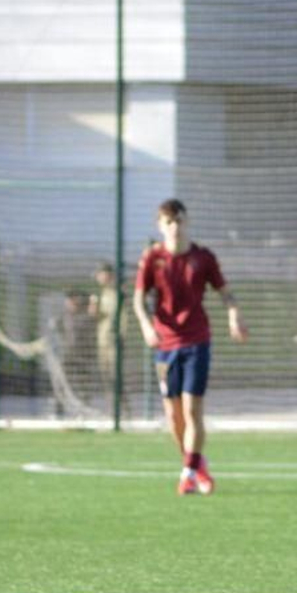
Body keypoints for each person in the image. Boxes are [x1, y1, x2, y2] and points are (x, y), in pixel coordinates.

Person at [133, 198, 247, 495]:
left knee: (192, 409)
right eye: (168, 222)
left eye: (179, 221)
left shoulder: (203, 258)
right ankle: (197, 463)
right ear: (160, 226)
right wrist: (146, 326)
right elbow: (138, 299)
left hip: (197, 340)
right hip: (165, 345)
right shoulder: (152, 259)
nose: (175, 227)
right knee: (173, 416)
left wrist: (234, 316)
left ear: (188, 222)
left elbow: (226, 293)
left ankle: (188, 473)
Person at [89, 262, 122, 396]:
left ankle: (123, 410)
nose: (98, 278)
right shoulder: (102, 294)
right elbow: (99, 316)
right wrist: (94, 308)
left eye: (100, 274)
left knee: (116, 377)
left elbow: (117, 316)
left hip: (114, 340)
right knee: (106, 376)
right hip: (103, 341)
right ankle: (112, 408)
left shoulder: (117, 293)